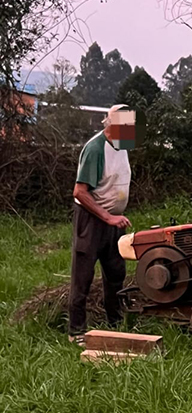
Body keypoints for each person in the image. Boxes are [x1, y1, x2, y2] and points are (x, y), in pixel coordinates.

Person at [68, 104, 134, 344]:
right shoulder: (95, 148)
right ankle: (76, 331)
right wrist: (107, 216)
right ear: (113, 125)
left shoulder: (123, 145)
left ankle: (115, 324)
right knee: (83, 276)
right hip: (93, 220)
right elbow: (80, 192)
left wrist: (116, 216)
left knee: (116, 273)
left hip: (114, 223)